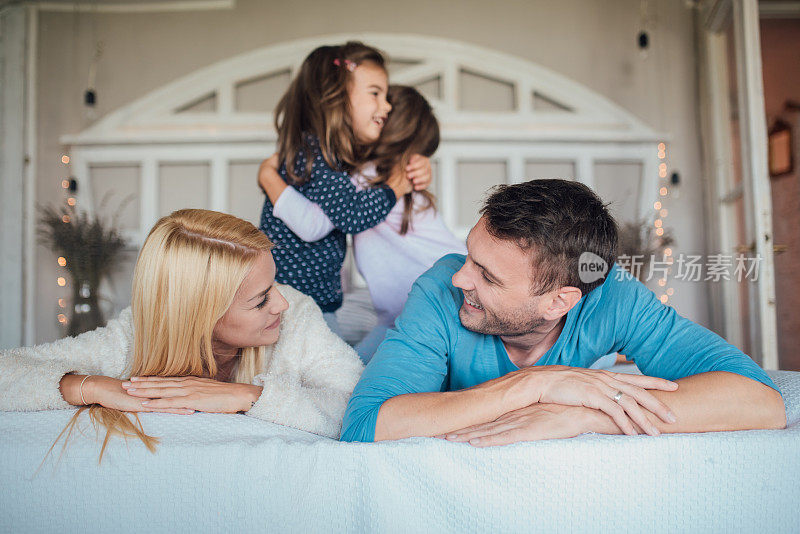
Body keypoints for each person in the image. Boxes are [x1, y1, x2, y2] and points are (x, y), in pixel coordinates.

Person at [340, 180, 786, 445]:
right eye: (468, 257)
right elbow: (365, 425)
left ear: (560, 301)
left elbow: (761, 402)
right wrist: (538, 385)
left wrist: (586, 415)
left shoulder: (615, 297)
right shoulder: (440, 289)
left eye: (488, 277)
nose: (462, 279)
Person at [0, 209, 364, 458]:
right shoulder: (130, 338)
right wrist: (91, 386)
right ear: (199, 316)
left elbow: (360, 407)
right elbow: (7, 370)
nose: (281, 303)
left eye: (274, 282)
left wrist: (248, 396)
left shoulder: (297, 315)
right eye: (260, 300)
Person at [260, 85, 466, 362]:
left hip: (444, 298)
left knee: (352, 376)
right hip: (399, 314)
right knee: (351, 370)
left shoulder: (368, 180)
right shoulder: (365, 178)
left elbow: (313, 223)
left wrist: (269, 177)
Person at [257, 42, 431, 337]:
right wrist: (396, 186)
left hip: (309, 303)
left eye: (386, 96)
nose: (386, 106)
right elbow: (351, 214)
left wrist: (419, 164)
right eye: (375, 93)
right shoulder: (313, 154)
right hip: (295, 304)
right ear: (333, 99)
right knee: (338, 377)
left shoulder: (327, 158)